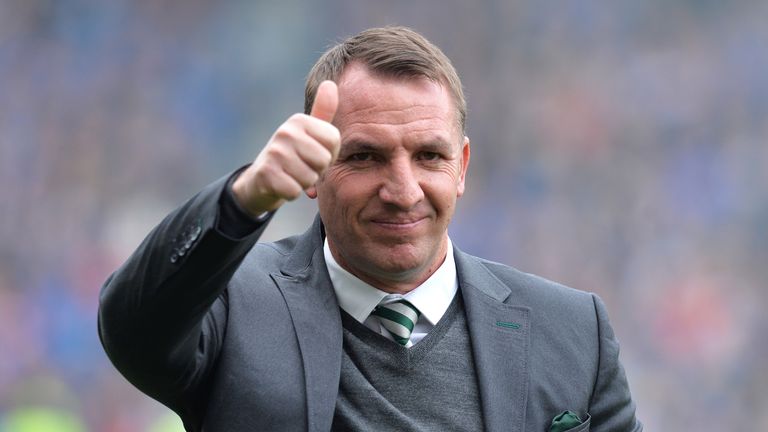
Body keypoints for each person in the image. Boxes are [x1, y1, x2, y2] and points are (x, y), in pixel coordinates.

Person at [98, 26, 642, 431]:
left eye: (429, 155)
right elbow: (132, 328)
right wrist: (242, 201)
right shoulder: (232, 306)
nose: (403, 190)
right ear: (314, 172)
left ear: (463, 167)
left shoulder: (573, 331)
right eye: (364, 157)